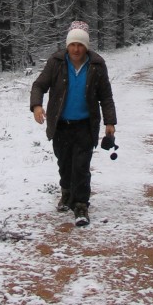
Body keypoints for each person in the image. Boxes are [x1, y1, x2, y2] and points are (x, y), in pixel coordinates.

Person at [30, 21, 116, 227]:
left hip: (85, 125)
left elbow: (106, 96)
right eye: (72, 45)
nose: (76, 49)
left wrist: (110, 122)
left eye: (80, 45)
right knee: (64, 162)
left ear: (86, 46)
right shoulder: (56, 62)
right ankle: (66, 193)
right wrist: (36, 106)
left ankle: (80, 204)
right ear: (67, 45)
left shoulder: (96, 65)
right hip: (61, 124)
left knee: (81, 165)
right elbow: (39, 85)